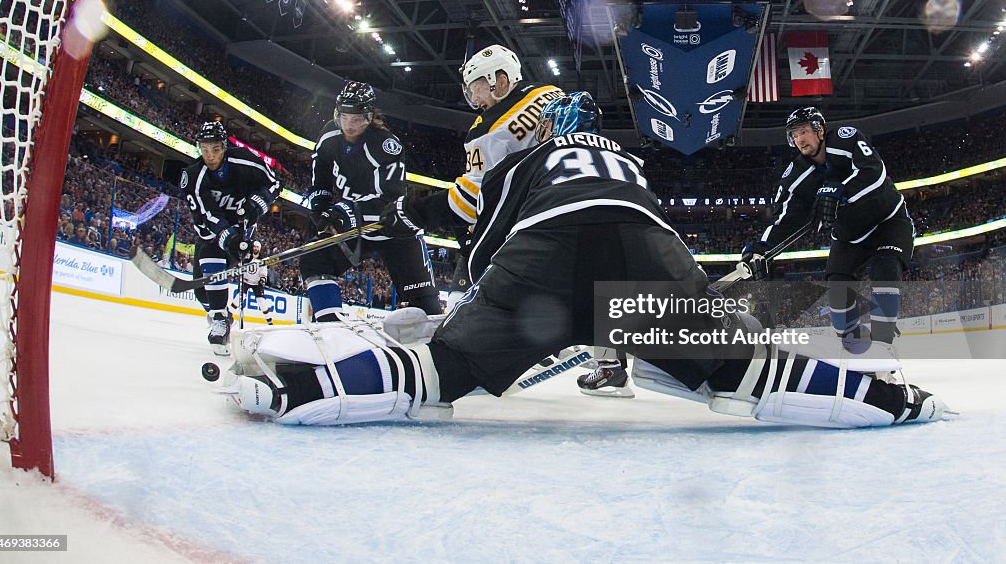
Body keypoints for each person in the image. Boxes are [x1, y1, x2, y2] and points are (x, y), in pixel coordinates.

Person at [224, 93, 946, 430]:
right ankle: (886, 397)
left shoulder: (529, 158)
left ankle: (303, 384)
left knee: (438, 373)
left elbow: (486, 248)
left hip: (542, 256)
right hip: (643, 251)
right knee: (745, 368)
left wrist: (482, 320)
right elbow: (655, 234)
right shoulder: (629, 161)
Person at [394, 44, 563, 304]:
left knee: (464, 307)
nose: (475, 99)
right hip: (566, 207)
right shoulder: (551, 92)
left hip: (523, 231)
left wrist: (416, 210)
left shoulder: (488, 130)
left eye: (477, 88)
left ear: (501, 80)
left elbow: (472, 200)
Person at [741, 107, 914, 352]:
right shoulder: (797, 176)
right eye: (794, 134)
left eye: (803, 131)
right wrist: (762, 247)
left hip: (888, 221)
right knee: (838, 294)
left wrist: (840, 189)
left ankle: (884, 345)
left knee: (884, 268)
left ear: (820, 130)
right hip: (849, 236)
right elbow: (787, 219)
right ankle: (856, 348)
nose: (799, 139)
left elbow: (874, 174)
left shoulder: (847, 139)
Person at [299, 81, 441, 324]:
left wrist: (344, 211)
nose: (350, 125)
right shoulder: (328, 136)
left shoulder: (388, 145)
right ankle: (330, 328)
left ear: (370, 117)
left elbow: (390, 200)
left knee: (427, 306)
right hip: (356, 226)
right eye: (345, 117)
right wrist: (320, 209)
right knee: (314, 258)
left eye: (357, 119)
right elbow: (320, 181)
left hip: (395, 227)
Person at [181, 121, 281, 354]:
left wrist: (257, 204)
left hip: (243, 232)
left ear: (224, 146)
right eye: (205, 150)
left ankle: (218, 320)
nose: (210, 156)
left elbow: (276, 184)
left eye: (215, 149)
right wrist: (229, 237)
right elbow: (207, 217)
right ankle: (221, 315)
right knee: (201, 292)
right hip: (211, 232)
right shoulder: (193, 176)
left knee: (212, 257)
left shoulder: (246, 161)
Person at [227, 240, 275, 325]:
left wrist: (262, 280)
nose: (255, 248)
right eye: (254, 247)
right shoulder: (246, 256)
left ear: (259, 249)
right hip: (245, 280)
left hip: (256, 283)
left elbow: (263, 272)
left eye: (257, 247)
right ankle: (229, 315)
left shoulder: (262, 260)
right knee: (239, 297)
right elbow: (239, 265)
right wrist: (237, 270)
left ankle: (269, 321)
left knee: (261, 302)